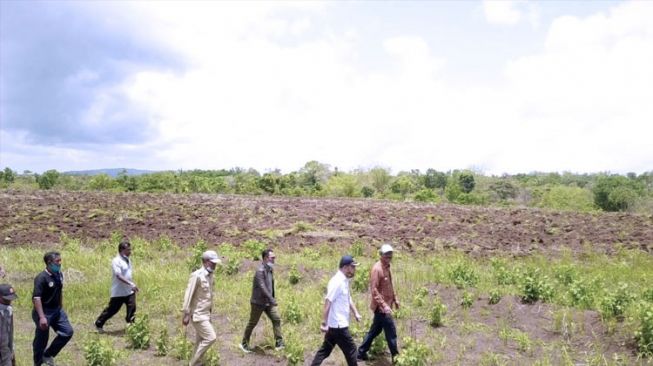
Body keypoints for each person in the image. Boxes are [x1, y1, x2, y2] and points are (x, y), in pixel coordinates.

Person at [310, 255, 362, 366]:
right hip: (339, 326)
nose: (354, 270)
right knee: (351, 349)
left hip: (335, 326)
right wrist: (324, 322)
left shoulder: (344, 280)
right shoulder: (337, 281)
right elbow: (328, 301)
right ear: (346, 267)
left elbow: (348, 298)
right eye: (353, 267)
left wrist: (356, 312)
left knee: (325, 350)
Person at [357, 243, 400, 362]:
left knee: (375, 331)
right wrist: (385, 306)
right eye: (386, 255)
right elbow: (374, 290)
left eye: (390, 255)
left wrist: (395, 299)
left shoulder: (387, 267)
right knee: (391, 333)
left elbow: (390, 285)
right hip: (382, 308)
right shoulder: (377, 269)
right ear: (381, 255)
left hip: (386, 306)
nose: (389, 257)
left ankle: (360, 353)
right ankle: (396, 359)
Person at [32, 251, 74, 366]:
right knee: (41, 341)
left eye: (60, 261)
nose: (60, 263)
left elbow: (59, 291)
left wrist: (61, 307)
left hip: (57, 310)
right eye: (57, 261)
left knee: (67, 332)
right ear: (49, 263)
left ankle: (48, 354)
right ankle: (38, 363)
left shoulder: (59, 274)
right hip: (44, 312)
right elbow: (36, 298)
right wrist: (42, 317)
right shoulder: (41, 278)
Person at [239, 248, 284, 353]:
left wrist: (271, 298)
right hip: (258, 302)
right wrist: (272, 299)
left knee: (276, 319)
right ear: (265, 258)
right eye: (272, 258)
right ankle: (244, 344)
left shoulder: (270, 270)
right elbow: (263, 287)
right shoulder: (260, 271)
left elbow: (270, 286)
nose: (274, 259)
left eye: (274, 258)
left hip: (268, 302)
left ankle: (279, 343)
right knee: (253, 323)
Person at [182, 250, 221, 366]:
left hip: (206, 314)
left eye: (215, 263)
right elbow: (188, 295)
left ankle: (198, 363)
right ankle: (193, 363)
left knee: (199, 342)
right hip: (198, 315)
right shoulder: (197, 276)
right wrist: (186, 314)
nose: (215, 265)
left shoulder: (210, 276)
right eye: (213, 263)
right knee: (211, 338)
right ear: (206, 261)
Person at [94, 238, 139, 333]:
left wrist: (132, 285)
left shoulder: (128, 260)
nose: (130, 251)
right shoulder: (116, 261)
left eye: (130, 249)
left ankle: (131, 325)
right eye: (128, 250)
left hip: (129, 290)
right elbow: (118, 275)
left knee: (132, 307)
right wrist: (131, 283)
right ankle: (99, 323)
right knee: (112, 310)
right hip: (119, 292)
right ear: (122, 250)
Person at [0, 284, 18, 366]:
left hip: (5, 350)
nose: (9, 301)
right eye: (6, 299)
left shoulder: (8, 310)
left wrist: (12, 351)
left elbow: (10, 332)